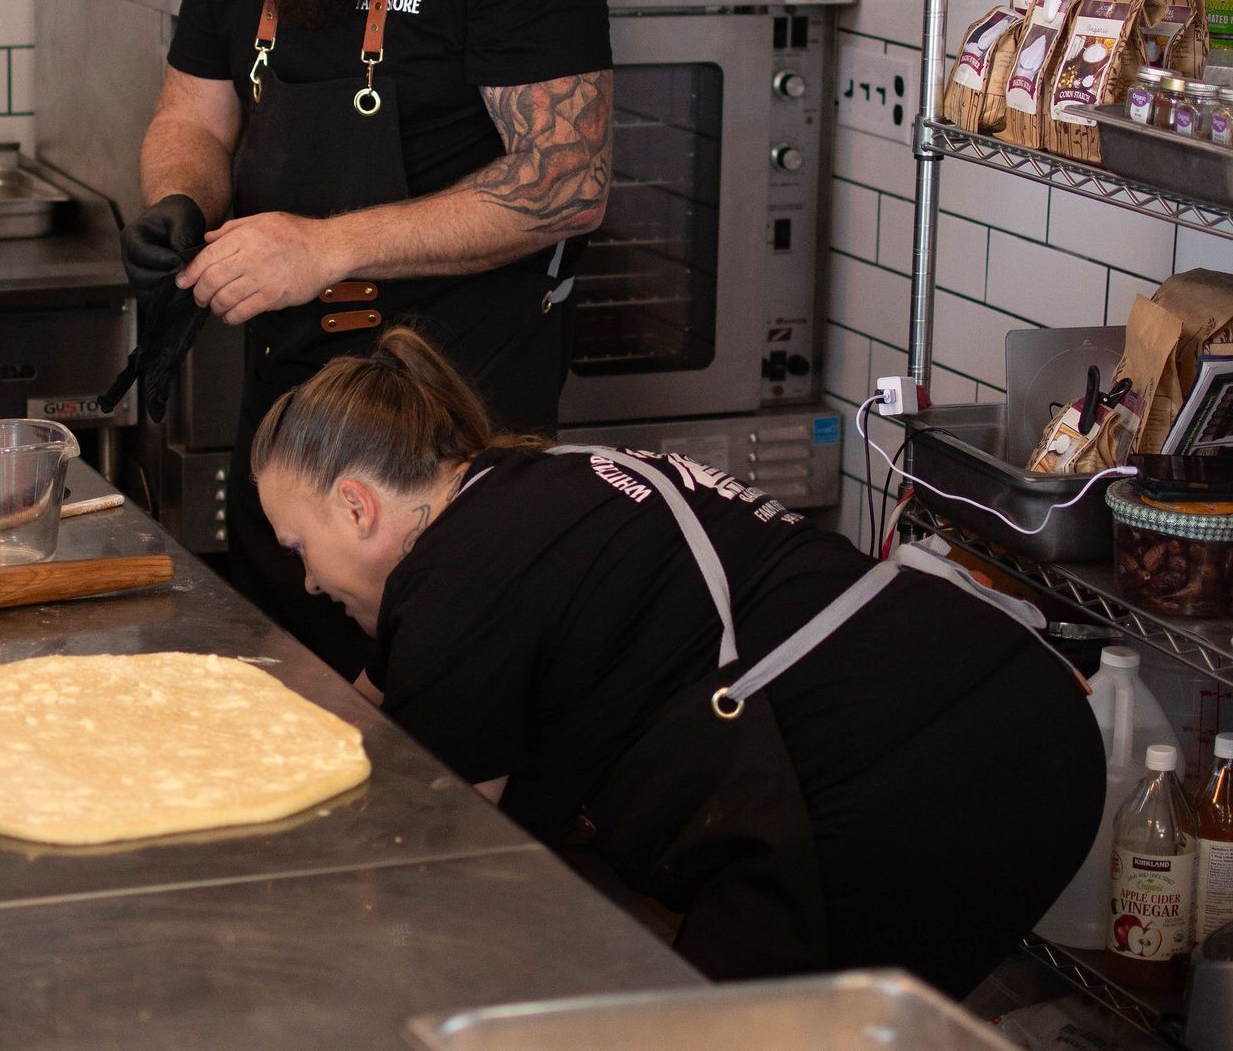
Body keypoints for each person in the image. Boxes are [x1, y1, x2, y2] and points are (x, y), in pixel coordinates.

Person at [250, 327, 1106, 999]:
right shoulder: (530, 482)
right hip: (1001, 710)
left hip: (903, 777)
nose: (310, 581)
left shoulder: (459, 582)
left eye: (299, 546)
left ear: (357, 507)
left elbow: (436, 857)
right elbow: (369, 706)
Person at [120, 0, 612, 674]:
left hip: (455, 410)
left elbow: (566, 182)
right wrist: (179, 197)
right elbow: (194, 112)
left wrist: (327, 249)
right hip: (292, 403)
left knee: (450, 698)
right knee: (298, 691)